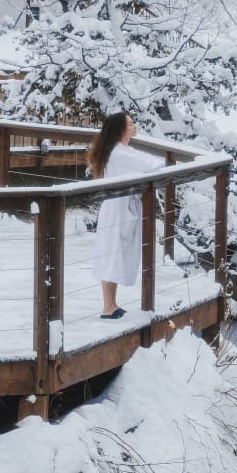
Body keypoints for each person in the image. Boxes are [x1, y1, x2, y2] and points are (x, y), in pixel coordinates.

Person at [87, 111, 164, 319]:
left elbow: (147, 160)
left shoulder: (123, 149)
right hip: (117, 209)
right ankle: (108, 307)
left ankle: (112, 304)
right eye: (130, 124)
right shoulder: (118, 153)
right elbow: (149, 165)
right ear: (120, 129)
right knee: (111, 253)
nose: (134, 126)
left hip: (123, 207)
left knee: (117, 252)